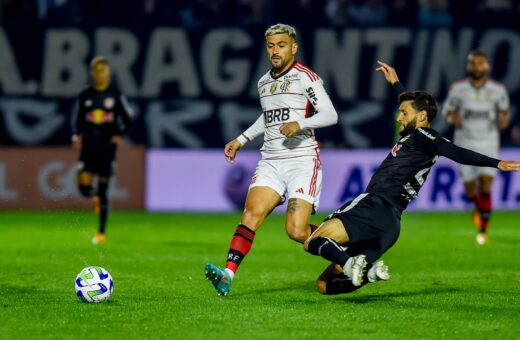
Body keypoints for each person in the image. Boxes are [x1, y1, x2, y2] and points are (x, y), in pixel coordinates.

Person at [303, 61, 519, 294]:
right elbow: (411, 106)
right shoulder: (416, 137)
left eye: (404, 113)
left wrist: (496, 163)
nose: (399, 118)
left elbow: (456, 153)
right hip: (391, 224)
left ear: (423, 116)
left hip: (374, 204)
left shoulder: (423, 136)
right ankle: (370, 274)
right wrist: (396, 84)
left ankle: (349, 263)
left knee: (313, 241)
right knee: (324, 285)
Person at [204, 23, 339, 296]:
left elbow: (330, 114)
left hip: (302, 159)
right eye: (270, 45)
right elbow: (267, 117)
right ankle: (227, 274)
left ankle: (344, 249)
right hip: (271, 161)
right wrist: (241, 139)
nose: (275, 51)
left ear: (294, 47)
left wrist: (300, 122)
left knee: (296, 231)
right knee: (251, 214)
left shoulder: (306, 78)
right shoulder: (264, 82)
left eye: (281, 45)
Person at [442, 51, 510, 245]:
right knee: (471, 191)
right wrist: (451, 118)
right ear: (469, 66)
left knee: (486, 184)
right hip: (465, 143)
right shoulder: (458, 89)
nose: (477, 67)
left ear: (486, 66)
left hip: (488, 142)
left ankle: (483, 230)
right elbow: (447, 112)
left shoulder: (498, 90)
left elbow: (504, 112)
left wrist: (503, 120)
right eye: (474, 64)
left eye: (481, 64)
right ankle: (477, 206)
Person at [72, 56, 133, 245]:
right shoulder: (85, 95)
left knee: (104, 188)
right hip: (88, 146)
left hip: (107, 147)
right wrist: (76, 135)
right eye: (96, 71)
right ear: (92, 73)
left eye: (103, 70)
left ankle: (101, 232)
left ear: (108, 73)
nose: (99, 74)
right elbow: (77, 118)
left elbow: (128, 117)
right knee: (83, 187)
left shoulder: (115, 95)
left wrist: (119, 134)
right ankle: (94, 196)